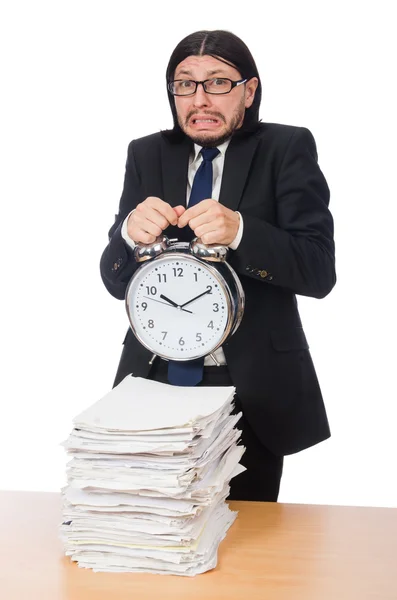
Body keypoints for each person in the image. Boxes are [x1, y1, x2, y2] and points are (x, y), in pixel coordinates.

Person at [100, 30, 336, 502]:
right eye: (185, 84)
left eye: (218, 83)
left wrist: (243, 232)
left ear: (248, 91)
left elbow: (318, 270)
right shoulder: (146, 153)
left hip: (250, 386)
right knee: (145, 523)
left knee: (246, 541)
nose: (200, 99)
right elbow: (114, 279)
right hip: (153, 377)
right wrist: (129, 234)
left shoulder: (285, 148)